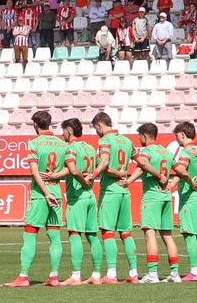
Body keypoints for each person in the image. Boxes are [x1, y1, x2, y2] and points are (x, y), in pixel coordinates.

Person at [5, 110, 68, 287]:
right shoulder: (62, 144)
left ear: (35, 125)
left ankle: (24, 276)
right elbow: (69, 169)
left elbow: (34, 171)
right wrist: (55, 176)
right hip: (57, 193)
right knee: (55, 236)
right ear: (49, 124)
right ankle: (54, 276)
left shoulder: (34, 143)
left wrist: (46, 193)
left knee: (30, 233)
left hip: (41, 195)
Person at [89, 112, 140, 283]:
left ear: (99, 126)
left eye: (96, 129)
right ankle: (133, 273)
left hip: (110, 191)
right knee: (126, 233)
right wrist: (129, 180)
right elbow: (143, 163)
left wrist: (93, 174)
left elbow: (104, 164)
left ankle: (111, 273)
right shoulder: (127, 141)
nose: (96, 132)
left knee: (107, 232)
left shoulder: (104, 140)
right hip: (124, 192)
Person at [127, 122, 180, 284]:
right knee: (167, 236)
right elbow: (180, 171)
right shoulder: (166, 152)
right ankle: (175, 274)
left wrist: (129, 180)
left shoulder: (148, 151)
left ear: (144, 136)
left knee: (150, 234)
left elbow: (142, 165)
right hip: (165, 197)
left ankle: (152, 274)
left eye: (139, 137)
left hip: (152, 197)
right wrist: (172, 183)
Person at [59, 118, 103, 285]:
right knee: (92, 235)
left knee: (74, 233)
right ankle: (96, 275)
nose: (62, 134)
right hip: (91, 196)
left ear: (69, 131)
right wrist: (90, 179)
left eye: (63, 130)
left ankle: (76, 276)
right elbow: (99, 167)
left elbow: (72, 168)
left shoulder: (71, 148)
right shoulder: (90, 148)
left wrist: (83, 180)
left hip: (77, 196)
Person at [171, 123, 197, 282]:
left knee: (189, 235)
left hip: (190, 198)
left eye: (177, 136)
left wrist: (186, 182)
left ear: (182, 134)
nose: (177, 139)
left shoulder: (186, 151)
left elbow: (181, 170)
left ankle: (194, 272)